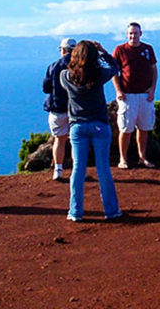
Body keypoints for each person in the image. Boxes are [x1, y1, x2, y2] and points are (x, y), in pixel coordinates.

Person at [59, 40, 122, 222]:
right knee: (103, 169)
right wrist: (102, 51)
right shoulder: (99, 74)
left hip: (77, 127)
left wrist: (70, 54)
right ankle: (111, 211)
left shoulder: (65, 76)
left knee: (78, 169)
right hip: (99, 125)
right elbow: (114, 66)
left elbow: (64, 65)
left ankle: (75, 212)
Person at [112, 22, 157, 169]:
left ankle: (142, 157)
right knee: (125, 129)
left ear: (140, 34)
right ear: (127, 34)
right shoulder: (120, 50)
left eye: (136, 33)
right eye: (130, 33)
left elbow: (154, 70)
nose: (133, 36)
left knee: (144, 128)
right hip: (127, 96)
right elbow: (114, 72)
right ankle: (123, 159)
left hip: (145, 95)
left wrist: (152, 89)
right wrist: (118, 91)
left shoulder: (148, 49)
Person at [42, 37, 76, 181]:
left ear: (62, 50)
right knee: (76, 141)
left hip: (57, 109)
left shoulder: (53, 66)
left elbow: (46, 88)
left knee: (59, 140)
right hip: (75, 110)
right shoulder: (80, 66)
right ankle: (77, 170)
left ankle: (58, 170)